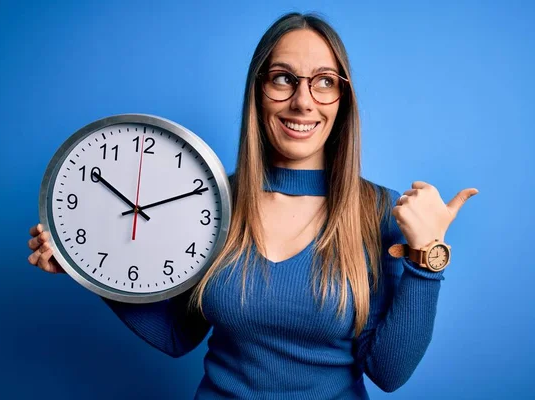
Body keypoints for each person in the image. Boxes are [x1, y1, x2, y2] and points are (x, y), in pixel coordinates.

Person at [27, 12, 478, 399]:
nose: (303, 101)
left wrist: (427, 258)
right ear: (258, 90)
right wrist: (85, 268)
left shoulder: (377, 212)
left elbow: (389, 373)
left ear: (342, 100)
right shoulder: (208, 199)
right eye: (283, 78)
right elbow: (176, 334)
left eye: (324, 82)